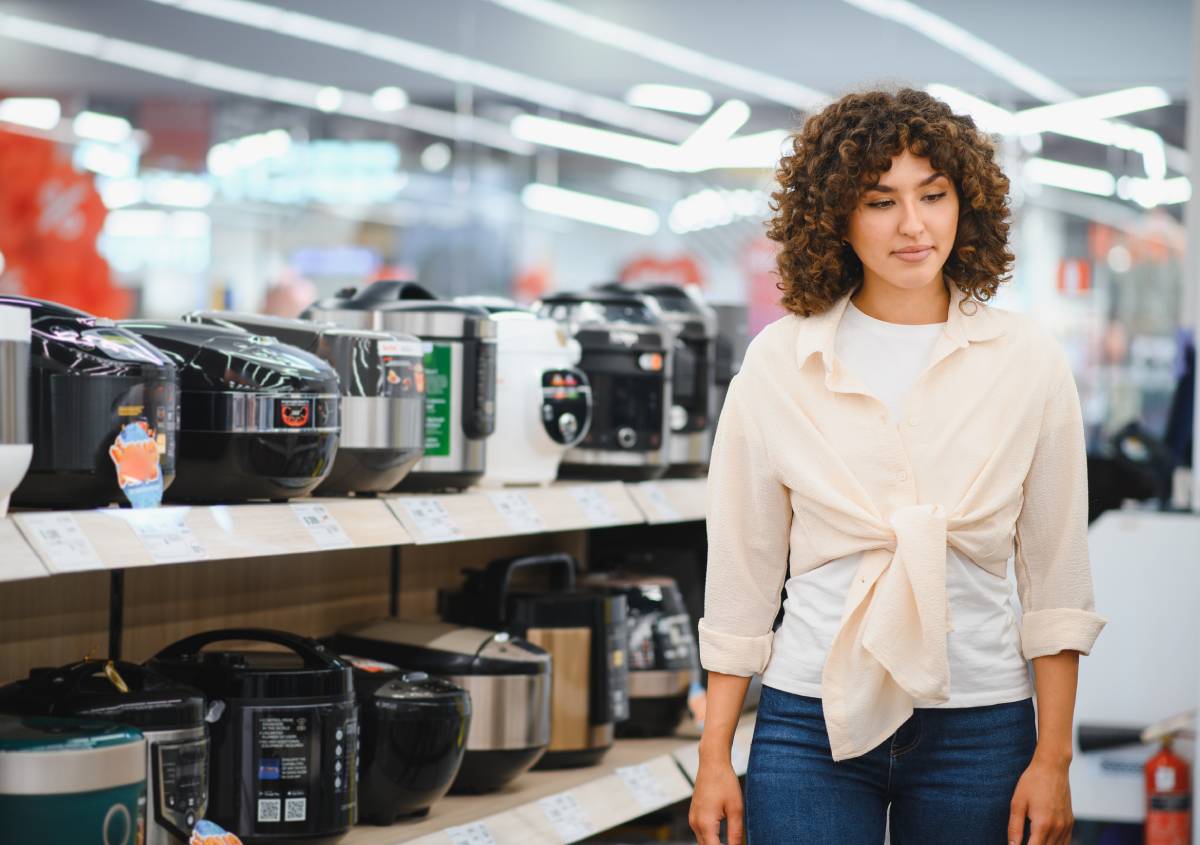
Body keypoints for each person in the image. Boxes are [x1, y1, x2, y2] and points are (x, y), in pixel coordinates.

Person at [688, 89, 1105, 845]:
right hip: (809, 720)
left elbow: (1055, 579)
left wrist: (1055, 755)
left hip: (981, 725)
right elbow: (743, 576)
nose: (913, 226)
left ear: (964, 202)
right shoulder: (782, 360)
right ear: (837, 217)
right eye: (881, 200)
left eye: (934, 195)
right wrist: (715, 753)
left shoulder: (1027, 361)